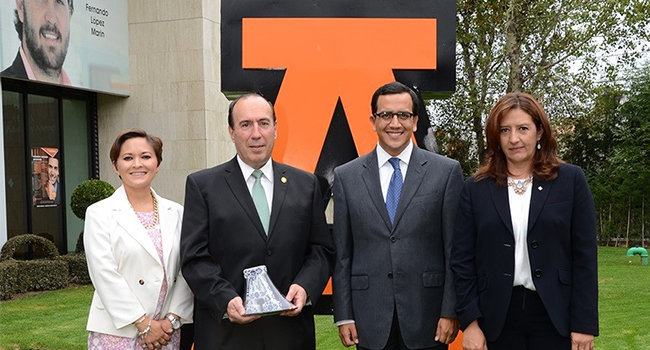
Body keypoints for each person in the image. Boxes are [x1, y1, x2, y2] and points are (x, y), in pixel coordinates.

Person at [180, 93, 334, 350]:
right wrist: (226, 299)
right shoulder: (203, 186)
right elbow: (194, 257)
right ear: (231, 132)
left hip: (290, 335)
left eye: (263, 123)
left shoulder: (306, 184)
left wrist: (305, 286)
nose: (256, 133)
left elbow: (321, 250)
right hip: (226, 335)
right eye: (245, 124)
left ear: (275, 128)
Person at [451, 92, 598, 350]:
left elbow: (584, 256)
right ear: (496, 136)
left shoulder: (570, 180)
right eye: (505, 130)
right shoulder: (475, 189)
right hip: (495, 318)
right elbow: (462, 261)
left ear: (539, 132)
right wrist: (470, 324)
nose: (514, 138)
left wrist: (584, 324)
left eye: (523, 128)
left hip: (555, 316)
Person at [332, 81, 463, 350]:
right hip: (369, 320)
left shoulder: (446, 172)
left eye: (403, 115)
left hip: (428, 318)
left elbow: (454, 250)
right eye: (386, 115)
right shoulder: (347, 176)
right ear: (373, 120)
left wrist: (450, 310)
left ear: (415, 121)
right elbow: (343, 254)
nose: (395, 123)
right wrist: (343, 315)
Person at [84, 128, 193, 350]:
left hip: (165, 331)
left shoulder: (176, 212)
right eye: (127, 158)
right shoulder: (99, 213)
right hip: (118, 331)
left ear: (157, 164)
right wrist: (144, 324)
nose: (137, 164)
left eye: (145, 156)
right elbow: (104, 274)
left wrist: (171, 320)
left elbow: (187, 268)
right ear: (116, 166)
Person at [1, 0, 73, 85]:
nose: (52, 19)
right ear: (21, 8)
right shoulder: (4, 89)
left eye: (59, 1)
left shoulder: (81, 96)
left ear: (70, 15)